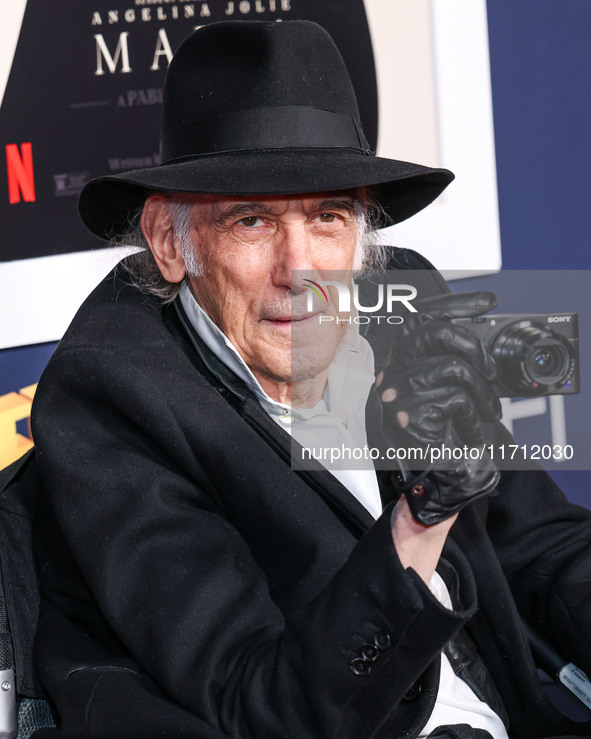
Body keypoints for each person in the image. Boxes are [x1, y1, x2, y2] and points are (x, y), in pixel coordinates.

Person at [30, 20, 591, 739]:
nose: (300, 271)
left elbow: (537, 541)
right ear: (171, 242)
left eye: (327, 216)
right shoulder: (112, 398)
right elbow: (257, 703)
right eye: (253, 221)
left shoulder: (404, 302)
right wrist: (418, 521)